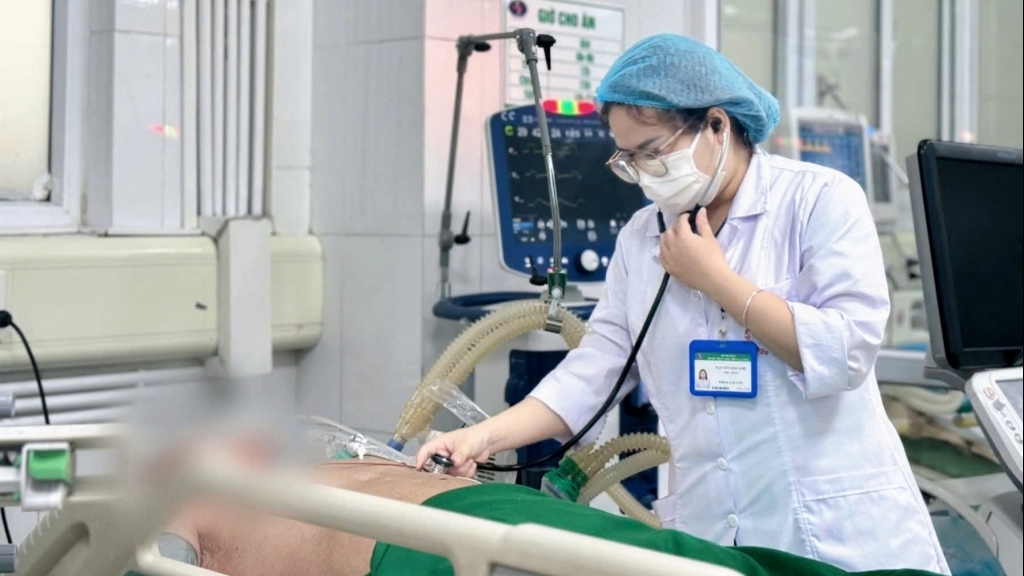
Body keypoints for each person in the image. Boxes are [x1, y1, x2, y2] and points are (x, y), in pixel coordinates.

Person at [417, 33, 949, 575]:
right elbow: (593, 373)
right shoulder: (640, 238)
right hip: (711, 532)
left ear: (717, 125)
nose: (644, 172)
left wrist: (716, 280)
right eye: (629, 159)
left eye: (653, 152)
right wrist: (483, 437)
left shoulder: (818, 199)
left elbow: (845, 352)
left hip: (832, 529)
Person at [162, 456, 944, 576]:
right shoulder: (184, 497)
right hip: (428, 550)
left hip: (483, 513)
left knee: (712, 568)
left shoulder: (305, 466)